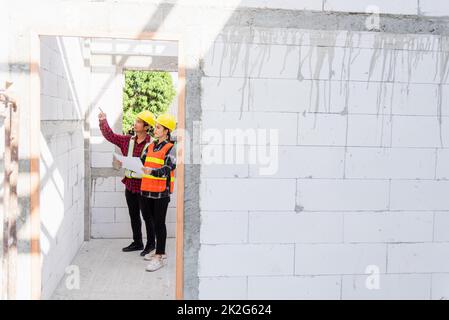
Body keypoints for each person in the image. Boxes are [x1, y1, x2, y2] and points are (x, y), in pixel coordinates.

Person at [98, 109, 157, 256]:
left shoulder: (153, 144)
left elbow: (155, 165)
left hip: (144, 187)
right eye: (136, 121)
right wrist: (103, 121)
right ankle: (137, 242)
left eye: (138, 122)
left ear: (146, 126)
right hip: (130, 185)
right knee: (134, 215)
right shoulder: (127, 140)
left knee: (147, 217)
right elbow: (110, 136)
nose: (135, 123)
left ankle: (151, 245)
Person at [140, 113, 177, 272]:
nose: (154, 130)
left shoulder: (171, 148)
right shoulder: (149, 146)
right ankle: (157, 249)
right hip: (146, 189)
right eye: (155, 127)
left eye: (158, 127)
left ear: (166, 131)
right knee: (150, 221)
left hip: (161, 193)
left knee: (160, 224)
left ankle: (159, 256)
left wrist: (152, 171)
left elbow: (169, 168)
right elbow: (142, 161)